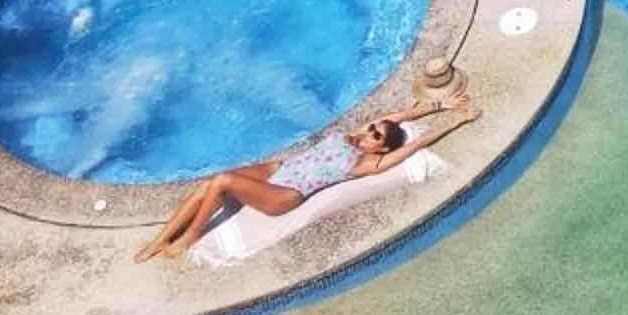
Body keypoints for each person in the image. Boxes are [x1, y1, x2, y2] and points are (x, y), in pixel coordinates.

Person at [135, 88, 477, 262]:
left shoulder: (366, 164)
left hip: (286, 195)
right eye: (373, 128)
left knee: (223, 181)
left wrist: (458, 121)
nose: (370, 131)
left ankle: (188, 239)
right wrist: (440, 105)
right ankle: (160, 240)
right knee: (207, 184)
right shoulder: (355, 136)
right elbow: (397, 115)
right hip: (277, 170)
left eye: (376, 136)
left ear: (381, 149)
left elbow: (415, 145)